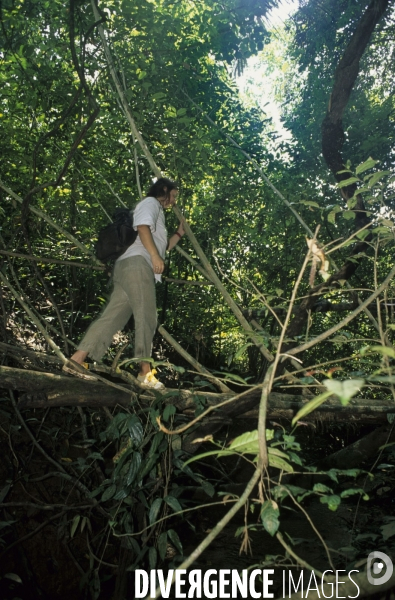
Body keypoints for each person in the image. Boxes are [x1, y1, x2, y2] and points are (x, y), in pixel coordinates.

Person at [65, 177, 185, 389]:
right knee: (147, 316)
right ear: (164, 189)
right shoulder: (151, 203)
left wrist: (178, 233)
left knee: (111, 318)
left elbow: (162, 247)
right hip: (138, 266)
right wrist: (154, 257)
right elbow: (142, 227)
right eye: (173, 195)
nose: (173, 201)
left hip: (129, 268)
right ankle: (144, 373)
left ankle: (75, 361)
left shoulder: (158, 213)